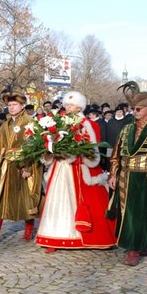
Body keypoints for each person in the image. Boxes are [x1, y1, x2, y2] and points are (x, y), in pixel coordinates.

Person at [35, 91, 117, 252]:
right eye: (66, 104)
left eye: (71, 104)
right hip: (60, 167)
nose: (67, 107)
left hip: (79, 169)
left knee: (89, 202)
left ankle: (89, 237)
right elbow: (49, 142)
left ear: (79, 106)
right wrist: (52, 152)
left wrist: (75, 154)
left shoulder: (89, 124)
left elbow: (93, 150)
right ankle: (53, 238)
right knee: (57, 203)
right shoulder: (57, 123)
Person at [107, 81, 147, 266]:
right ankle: (140, 242)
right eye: (133, 108)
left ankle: (135, 249)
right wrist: (113, 175)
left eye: (138, 108)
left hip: (145, 178)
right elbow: (115, 155)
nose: (134, 112)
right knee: (126, 213)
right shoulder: (125, 129)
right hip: (125, 176)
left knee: (142, 213)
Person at [0, 91, 42, 242]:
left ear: (22, 106)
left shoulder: (30, 122)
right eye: (9, 105)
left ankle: (28, 230)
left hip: (22, 165)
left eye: (15, 105)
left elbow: (34, 147)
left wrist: (28, 167)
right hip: (5, 164)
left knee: (26, 198)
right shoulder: (5, 124)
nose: (12, 107)